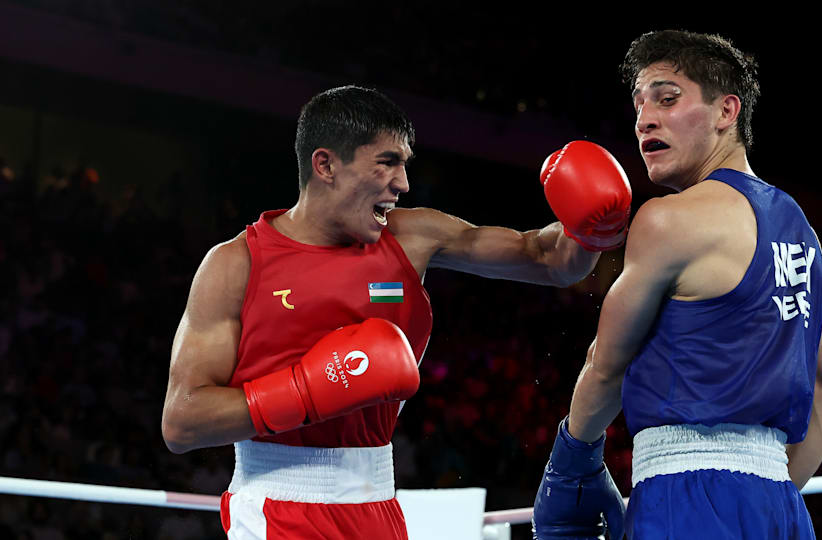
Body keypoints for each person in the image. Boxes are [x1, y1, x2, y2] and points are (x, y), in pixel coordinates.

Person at [160, 85, 633, 539]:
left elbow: (546, 258)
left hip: (379, 503)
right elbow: (182, 420)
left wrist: (592, 227)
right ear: (325, 164)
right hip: (277, 502)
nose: (403, 184)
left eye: (404, 165)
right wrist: (308, 390)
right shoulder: (237, 263)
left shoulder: (413, 237)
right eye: (386, 163)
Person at [533, 30, 822, 540]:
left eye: (667, 97)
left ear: (727, 112)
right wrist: (758, 498)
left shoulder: (666, 220)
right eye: (638, 103)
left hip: (683, 494)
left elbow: (605, 366)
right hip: (781, 507)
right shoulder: (803, 233)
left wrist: (572, 456)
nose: (645, 119)